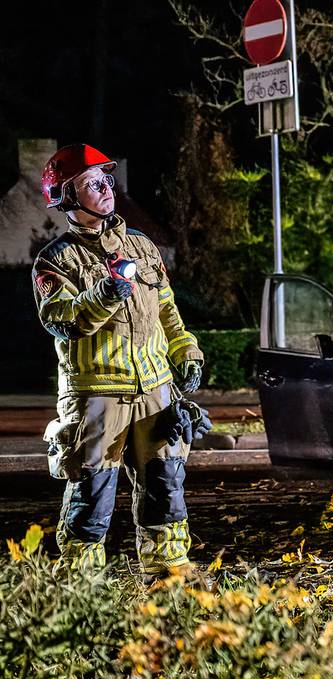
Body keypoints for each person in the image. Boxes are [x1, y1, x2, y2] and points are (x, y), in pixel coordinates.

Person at [33, 144, 206, 574]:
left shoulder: (142, 248)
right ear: (67, 197)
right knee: (92, 496)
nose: (105, 188)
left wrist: (187, 353)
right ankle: (82, 591)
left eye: (106, 179)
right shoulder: (55, 261)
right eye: (91, 183)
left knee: (166, 486)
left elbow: (169, 313)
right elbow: (64, 321)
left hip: (155, 391)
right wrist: (105, 293)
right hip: (96, 396)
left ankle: (170, 583)